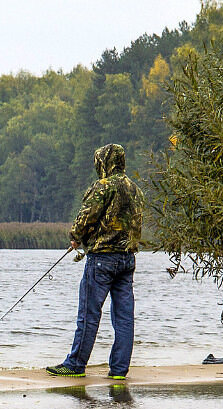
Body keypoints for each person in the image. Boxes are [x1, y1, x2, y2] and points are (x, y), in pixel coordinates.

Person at [46, 143, 144, 380]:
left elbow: (86, 216)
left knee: (89, 314)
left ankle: (76, 365)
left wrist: (76, 237)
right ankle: (119, 371)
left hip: (102, 259)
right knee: (124, 317)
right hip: (127, 260)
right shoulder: (136, 190)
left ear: (104, 162)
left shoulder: (103, 187)